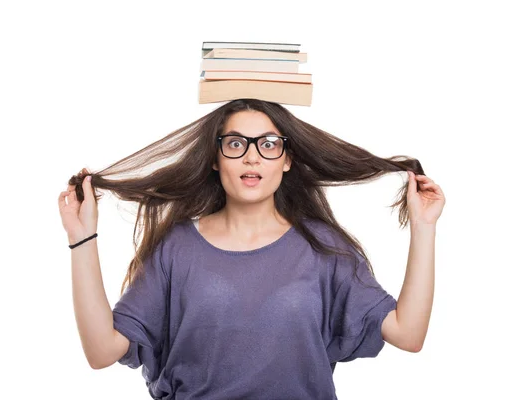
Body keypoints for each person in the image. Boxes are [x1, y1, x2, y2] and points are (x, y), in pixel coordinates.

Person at [58, 98, 445, 399]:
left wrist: (424, 228)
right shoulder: (176, 248)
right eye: (236, 143)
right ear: (215, 158)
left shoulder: (323, 247)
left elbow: (408, 334)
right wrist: (81, 238)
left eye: (269, 144)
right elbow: (101, 352)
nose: (252, 155)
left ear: (288, 160)